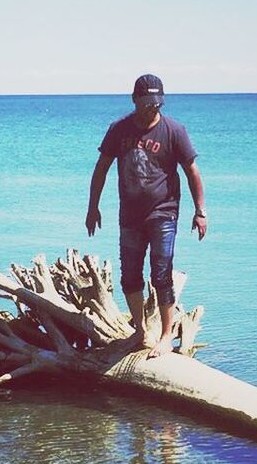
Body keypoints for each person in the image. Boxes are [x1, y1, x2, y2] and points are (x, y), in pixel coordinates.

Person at [86, 73, 206, 358]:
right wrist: (93, 207)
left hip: (163, 212)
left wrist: (200, 211)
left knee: (161, 274)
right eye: (148, 103)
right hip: (130, 215)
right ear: (135, 100)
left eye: (157, 103)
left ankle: (165, 336)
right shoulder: (119, 130)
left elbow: (192, 172)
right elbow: (101, 168)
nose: (154, 108)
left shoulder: (174, 131)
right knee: (129, 276)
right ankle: (139, 332)